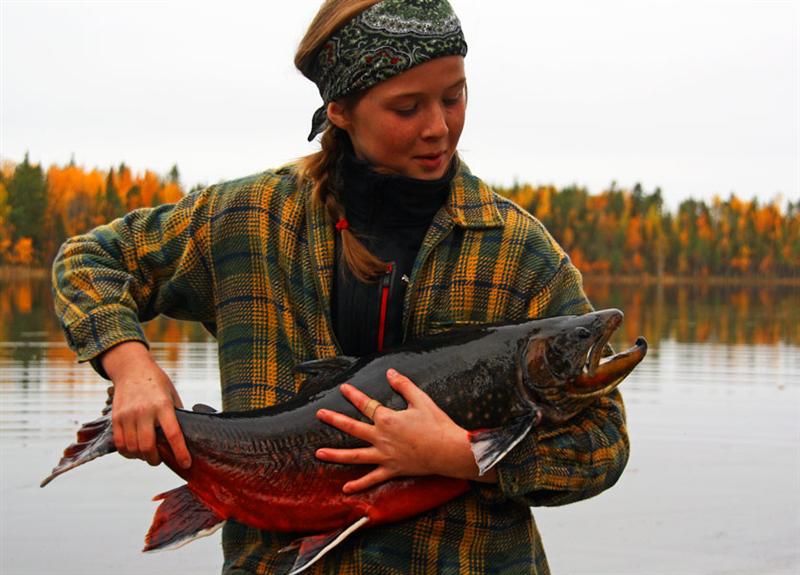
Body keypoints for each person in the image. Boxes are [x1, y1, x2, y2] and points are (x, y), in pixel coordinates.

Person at [52, 0, 629, 573]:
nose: (439, 126)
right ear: (341, 110)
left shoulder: (518, 252)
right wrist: (130, 368)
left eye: (454, 97)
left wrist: (462, 457)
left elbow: (603, 448)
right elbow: (91, 259)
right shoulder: (247, 219)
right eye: (407, 107)